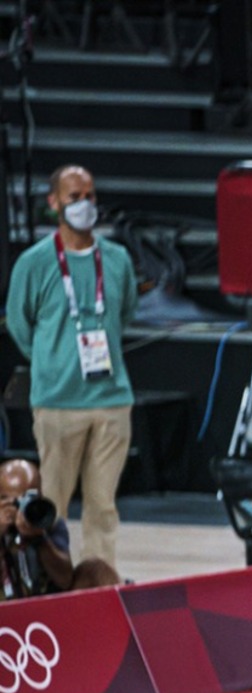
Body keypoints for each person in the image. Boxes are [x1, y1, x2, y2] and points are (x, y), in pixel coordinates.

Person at [5, 165, 139, 576]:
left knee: (103, 507)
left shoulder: (116, 259)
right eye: (74, 197)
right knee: (51, 508)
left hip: (112, 401)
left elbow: (125, 312)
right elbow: (17, 322)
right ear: (54, 202)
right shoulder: (35, 263)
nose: (84, 205)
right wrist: (51, 360)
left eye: (90, 196)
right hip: (57, 403)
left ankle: (100, 588)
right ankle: (52, 590)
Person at [1, 457, 117, 598]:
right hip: (6, 610)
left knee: (97, 571)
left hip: (47, 605)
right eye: (10, 500)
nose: (20, 508)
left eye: (27, 498)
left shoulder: (48, 523)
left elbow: (64, 580)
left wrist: (40, 538)